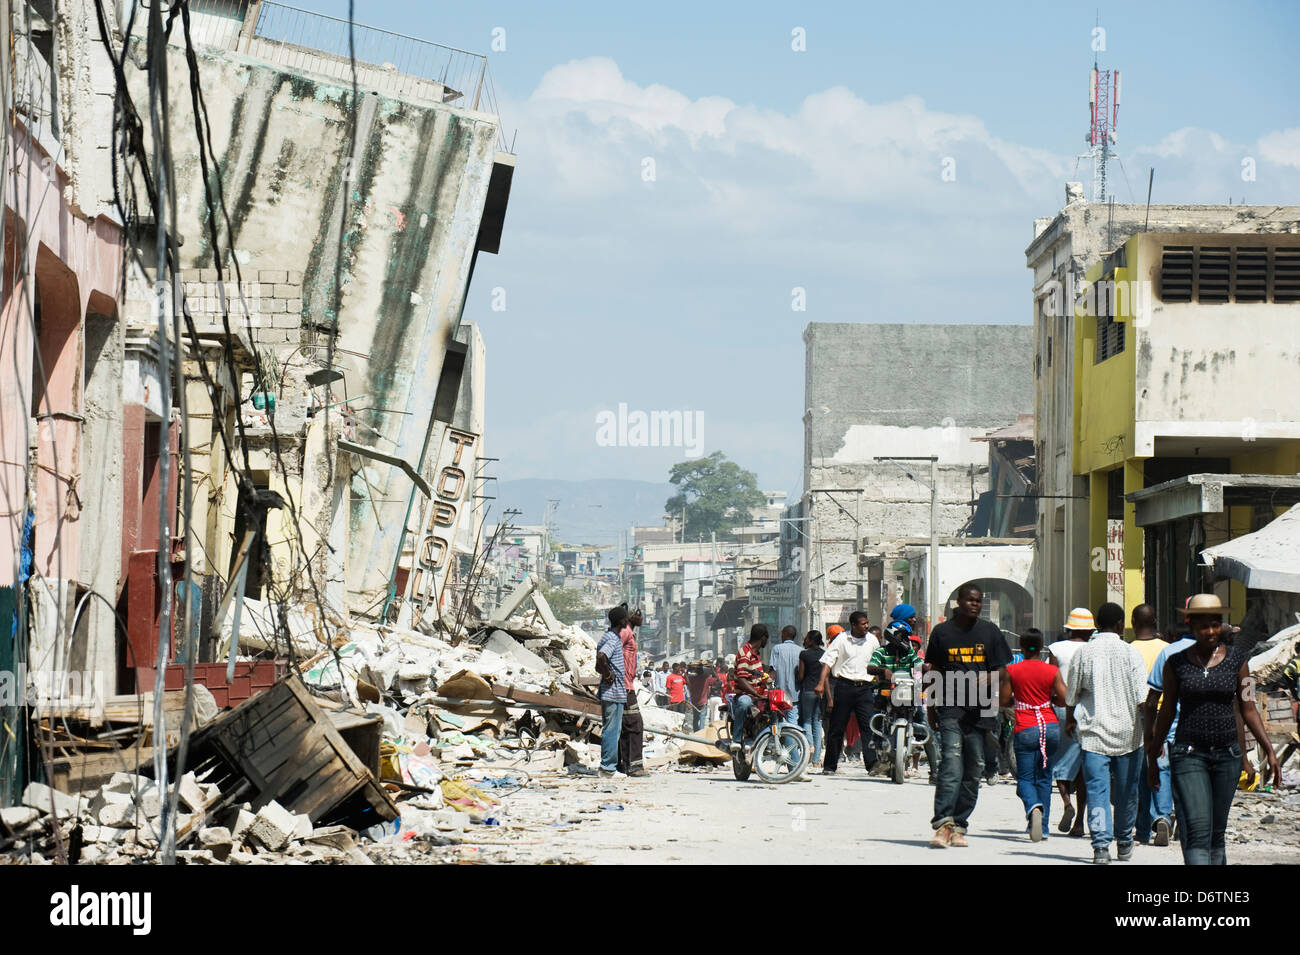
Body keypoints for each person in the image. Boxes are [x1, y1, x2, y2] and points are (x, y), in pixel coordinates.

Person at [1148, 594, 1283, 865]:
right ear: (1191, 625)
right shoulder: (1176, 664)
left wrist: (1269, 750)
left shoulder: (1237, 660)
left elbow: (1248, 708)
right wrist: (1152, 755)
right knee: (1198, 828)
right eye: (1204, 625)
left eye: (1215, 624)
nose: (1210, 631)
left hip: (1227, 756)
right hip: (1189, 754)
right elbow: (1166, 711)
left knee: (1216, 833)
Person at [925, 583, 1013, 848]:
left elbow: (1003, 671)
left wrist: (990, 677)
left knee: (974, 770)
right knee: (951, 764)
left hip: (983, 710)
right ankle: (943, 825)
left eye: (978, 601)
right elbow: (934, 671)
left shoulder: (990, 632)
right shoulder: (942, 633)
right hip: (951, 707)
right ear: (959, 602)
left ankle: (959, 826)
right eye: (970, 600)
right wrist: (930, 707)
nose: (974, 604)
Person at [1066, 602, 1148, 864]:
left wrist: (1070, 720)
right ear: (1119, 624)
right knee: (1127, 791)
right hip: (1129, 734)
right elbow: (1142, 698)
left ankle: (1101, 846)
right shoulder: (1131, 653)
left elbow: (1071, 695)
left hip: (1093, 735)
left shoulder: (1084, 653)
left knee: (1097, 791)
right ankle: (1124, 840)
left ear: (1098, 625)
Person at [1001, 629, 1066, 841]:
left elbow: (1003, 700)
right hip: (1050, 726)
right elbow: (1065, 698)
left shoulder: (1013, 670)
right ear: (1041, 647)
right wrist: (1050, 700)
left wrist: (1018, 701)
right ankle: (1043, 828)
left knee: (1025, 778)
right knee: (1045, 779)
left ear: (1021, 645)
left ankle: (1033, 807)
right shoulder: (1051, 671)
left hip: (1026, 727)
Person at [815, 611, 880, 775]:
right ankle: (830, 766)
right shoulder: (842, 639)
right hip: (844, 687)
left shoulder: (872, 640)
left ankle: (872, 765)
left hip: (865, 688)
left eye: (867, 623)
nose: (866, 626)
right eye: (863, 623)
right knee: (837, 727)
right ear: (853, 625)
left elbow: (878, 660)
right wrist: (821, 684)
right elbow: (828, 663)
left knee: (868, 727)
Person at [1047, 608, 1094, 836]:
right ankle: (1079, 823)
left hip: (1060, 707)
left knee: (1058, 761)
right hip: (1087, 710)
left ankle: (1066, 803)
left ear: (1068, 628)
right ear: (1090, 630)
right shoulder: (1092, 649)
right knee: (1083, 767)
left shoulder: (1056, 649)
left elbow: (1050, 679)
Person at [1128, 604, 1171, 846]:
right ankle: (1162, 817)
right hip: (1166, 713)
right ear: (1155, 620)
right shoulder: (1167, 650)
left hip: (1138, 714)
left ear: (1133, 621)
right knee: (1161, 767)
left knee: (1140, 772)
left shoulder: (1129, 650)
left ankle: (1142, 828)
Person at [867, 619, 925, 776]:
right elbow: (870, 667)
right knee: (877, 707)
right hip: (887, 690)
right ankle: (876, 738)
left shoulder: (909, 652)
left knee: (922, 714)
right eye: (904, 636)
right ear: (893, 635)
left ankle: (928, 756)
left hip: (908, 690)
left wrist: (927, 668)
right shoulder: (881, 652)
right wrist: (881, 670)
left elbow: (919, 664)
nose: (906, 640)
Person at [596, 605, 629, 778]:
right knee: (611, 730)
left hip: (611, 691)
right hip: (613, 692)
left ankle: (608, 766)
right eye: (626, 619)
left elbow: (598, 663)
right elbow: (602, 657)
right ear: (621, 621)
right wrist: (609, 675)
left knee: (611, 729)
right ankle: (608, 768)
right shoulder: (613, 639)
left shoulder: (609, 636)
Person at [617, 609, 647, 777]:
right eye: (637, 613)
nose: (640, 616)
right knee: (635, 724)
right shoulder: (625, 632)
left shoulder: (629, 633)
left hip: (627, 685)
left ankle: (625, 764)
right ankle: (634, 766)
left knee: (626, 725)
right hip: (624, 686)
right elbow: (610, 651)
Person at [731, 624, 772, 741]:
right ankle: (737, 738)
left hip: (758, 694)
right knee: (744, 703)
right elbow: (741, 679)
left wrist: (769, 682)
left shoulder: (756, 654)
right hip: (746, 695)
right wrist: (756, 694)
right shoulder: (745, 653)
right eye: (766, 639)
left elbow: (759, 675)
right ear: (763, 638)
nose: (766, 642)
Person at [796, 630, 825, 767]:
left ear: (812, 640)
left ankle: (810, 745)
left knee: (806, 720)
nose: (805, 641)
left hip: (807, 689)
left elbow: (801, 676)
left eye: (807, 639)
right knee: (817, 722)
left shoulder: (804, 654)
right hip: (821, 691)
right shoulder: (824, 654)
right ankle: (816, 760)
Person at [769, 625, 802, 726]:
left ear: (784, 634)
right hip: (795, 694)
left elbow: (772, 671)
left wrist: (769, 684)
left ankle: (783, 741)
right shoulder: (801, 650)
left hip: (780, 694)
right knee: (792, 722)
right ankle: (791, 742)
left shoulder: (776, 649)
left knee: (780, 721)